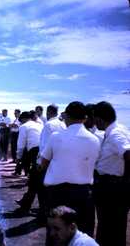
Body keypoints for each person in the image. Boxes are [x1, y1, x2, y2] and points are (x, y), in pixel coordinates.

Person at [39, 101, 100, 236]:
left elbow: (43, 163)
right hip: (83, 194)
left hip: (57, 194)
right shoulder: (95, 140)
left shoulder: (56, 137)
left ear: (66, 116)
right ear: (85, 118)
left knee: (56, 236)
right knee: (82, 235)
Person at [93, 101, 130, 246]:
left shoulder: (115, 134)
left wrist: (125, 181)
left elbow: (128, 153)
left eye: (96, 119)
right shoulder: (119, 129)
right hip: (112, 186)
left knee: (109, 227)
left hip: (112, 187)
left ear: (100, 119)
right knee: (114, 227)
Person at [14, 111, 44, 216]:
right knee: (38, 179)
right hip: (45, 151)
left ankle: (30, 207)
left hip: (35, 151)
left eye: (21, 121)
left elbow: (21, 144)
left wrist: (18, 158)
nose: (21, 123)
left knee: (35, 180)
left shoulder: (24, 126)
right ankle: (26, 204)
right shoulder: (39, 125)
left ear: (24, 119)